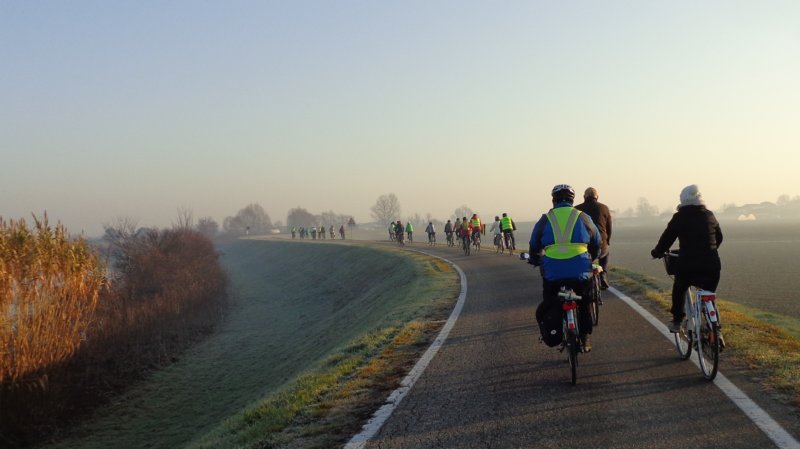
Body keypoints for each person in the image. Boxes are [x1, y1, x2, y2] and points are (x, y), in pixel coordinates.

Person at [529, 184, 601, 352]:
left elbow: (534, 243)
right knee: (585, 301)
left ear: (553, 200)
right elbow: (596, 241)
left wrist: (534, 259)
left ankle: (557, 330)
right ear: (572, 200)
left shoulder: (546, 219)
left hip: (553, 271)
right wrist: (593, 256)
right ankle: (585, 336)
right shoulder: (582, 217)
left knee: (550, 299)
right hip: (580, 269)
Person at [650, 185, 723, 333]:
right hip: (712, 266)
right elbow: (719, 237)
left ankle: (677, 320)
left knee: (680, 287)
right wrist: (710, 250)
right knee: (708, 293)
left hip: (688, 265)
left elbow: (667, 239)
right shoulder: (709, 215)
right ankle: (715, 330)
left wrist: (657, 252)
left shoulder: (679, 217)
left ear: (683, 199)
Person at [575, 187, 612, 289]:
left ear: (584, 197)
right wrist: (607, 241)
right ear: (597, 197)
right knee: (606, 253)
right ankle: (603, 274)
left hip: (583, 246)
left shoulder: (576, 209)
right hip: (601, 245)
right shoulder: (604, 208)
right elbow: (609, 228)